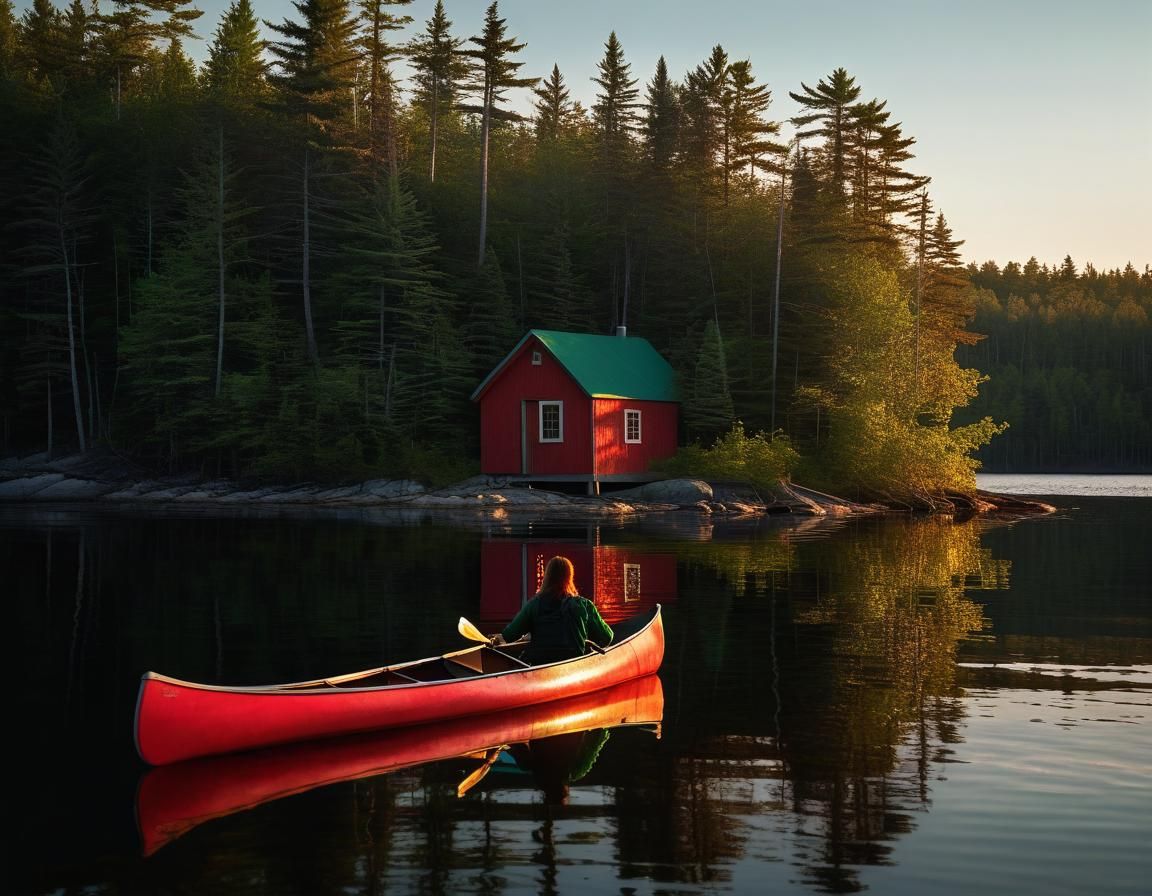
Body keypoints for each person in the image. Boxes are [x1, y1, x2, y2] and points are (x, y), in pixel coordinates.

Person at [494, 556, 613, 664]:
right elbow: (607, 637)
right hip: (574, 666)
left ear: (547, 576)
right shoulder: (584, 605)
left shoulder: (534, 605)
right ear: (569, 577)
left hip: (540, 667)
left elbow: (509, 635)